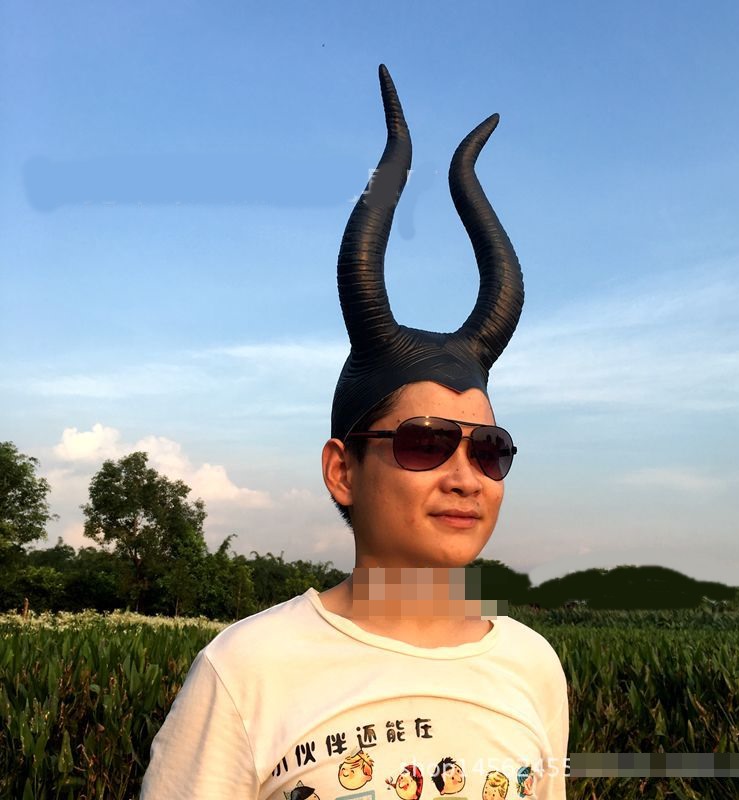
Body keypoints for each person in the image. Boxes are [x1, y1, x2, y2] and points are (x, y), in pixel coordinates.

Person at [140, 64, 568, 800]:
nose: (465, 477)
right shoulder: (246, 671)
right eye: (425, 442)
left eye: (490, 450)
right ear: (341, 470)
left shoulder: (532, 667)